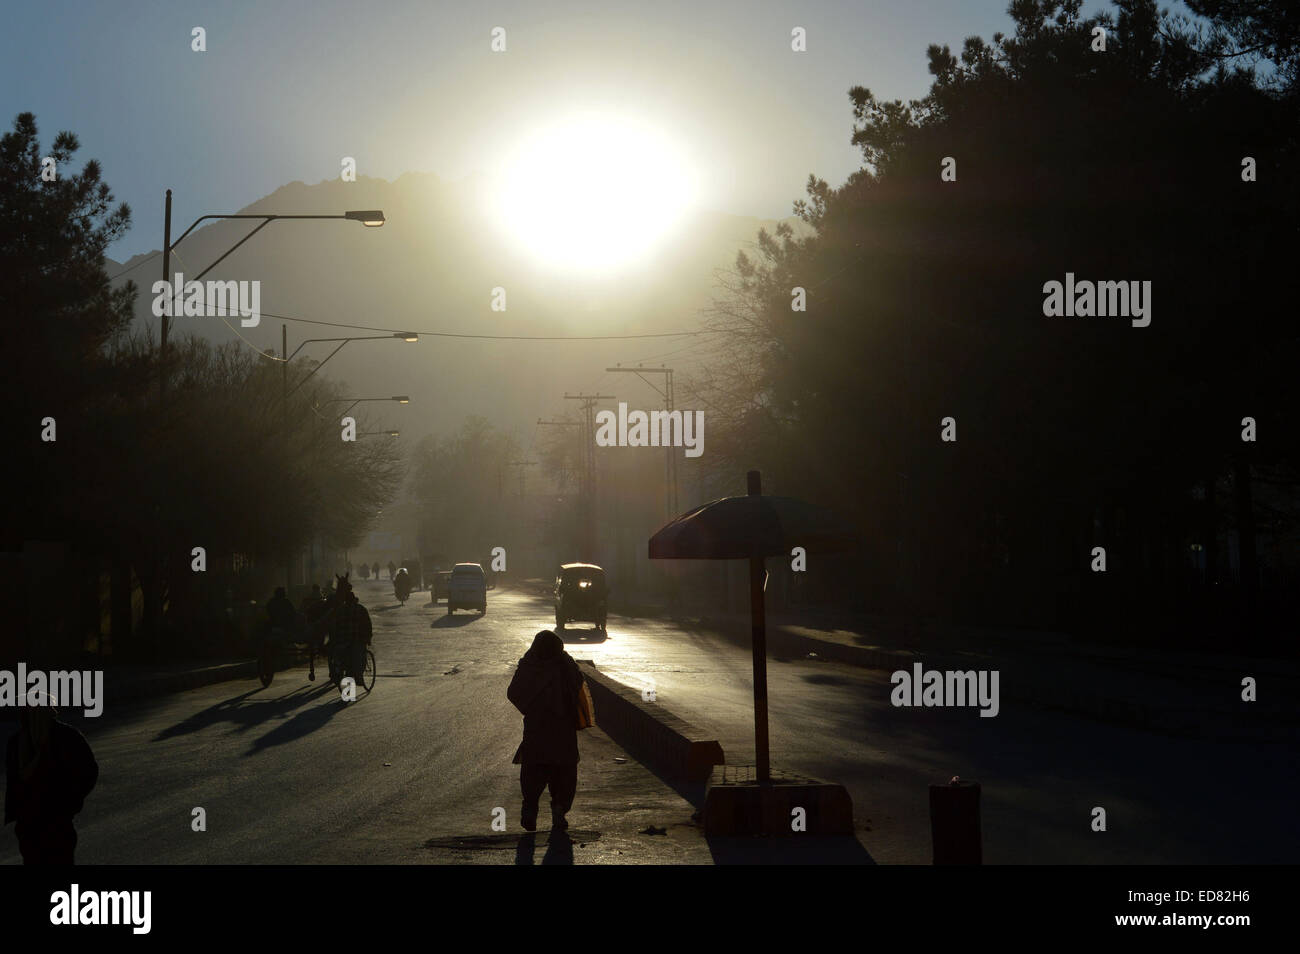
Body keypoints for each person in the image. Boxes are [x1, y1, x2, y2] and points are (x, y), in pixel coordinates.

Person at [4, 692, 98, 864]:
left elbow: (88, 773)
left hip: (52, 821)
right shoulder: (19, 742)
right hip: (35, 823)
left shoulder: (65, 737)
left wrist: (68, 802)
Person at [506, 630, 585, 832]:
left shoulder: (529, 664)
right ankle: (559, 811)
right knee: (564, 773)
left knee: (533, 770)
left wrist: (531, 707)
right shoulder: (565, 665)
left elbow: (514, 692)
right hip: (562, 730)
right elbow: (578, 686)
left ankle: (530, 809)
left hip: (536, 729)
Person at [328, 574, 372, 688]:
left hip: (342, 641)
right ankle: (358, 678)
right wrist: (368, 638)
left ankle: (338, 672)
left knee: (340, 659)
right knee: (360, 660)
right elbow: (368, 625)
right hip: (356, 641)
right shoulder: (361, 609)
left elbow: (334, 626)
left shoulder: (339, 610)